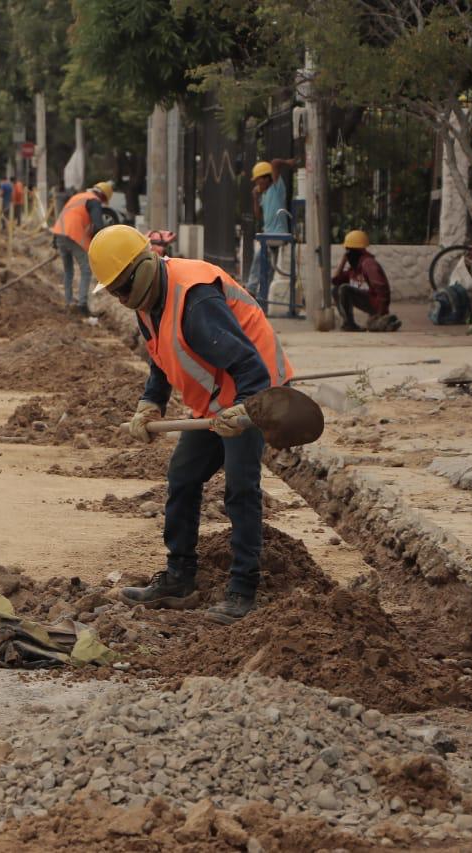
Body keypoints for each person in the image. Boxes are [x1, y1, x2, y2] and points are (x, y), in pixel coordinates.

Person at [88, 224, 293, 624]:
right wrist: (150, 403)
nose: (121, 299)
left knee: (240, 488)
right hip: (217, 399)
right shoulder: (147, 302)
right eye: (113, 292)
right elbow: (160, 356)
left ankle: (243, 589)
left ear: (143, 269)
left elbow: (249, 363)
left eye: (122, 289)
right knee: (182, 477)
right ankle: (180, 577)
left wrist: (249, 410)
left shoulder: (196, 301)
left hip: (255, 390)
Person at [50, 181, 113, 316]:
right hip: (73, 235)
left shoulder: (78, 197)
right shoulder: (94, 201)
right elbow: (98, 226)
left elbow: (63, 215)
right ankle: (82, 305)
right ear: (102, 196)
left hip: (60, 233)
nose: (101, 203)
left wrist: (54, 240)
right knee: (86, 269)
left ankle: (68, 302)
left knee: (68, 270)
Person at [249, 158, 297, 303]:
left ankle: (251, 288)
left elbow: (275, 163)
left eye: (258, 180)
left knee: (259, 258)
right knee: (268, 266)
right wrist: (255, 199)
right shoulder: (264, 195)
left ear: (266, 178)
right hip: (269, 235)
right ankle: (263, 296)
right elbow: (258, 216)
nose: (257, 184)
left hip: (277, 233)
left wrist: (288, 164)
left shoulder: (276, 188)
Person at [331, 230, 399, 331]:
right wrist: (343, 261)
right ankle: (349, 324)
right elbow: (335, 280)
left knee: (344, 289)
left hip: (375, 304)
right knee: (336, 290)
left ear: (357, 251)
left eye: (349, 251)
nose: (347, 254)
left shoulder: (368, 264)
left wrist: (381, 312)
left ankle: (383, 321)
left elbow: (382, 289)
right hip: (367, 302)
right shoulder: (354, 269)